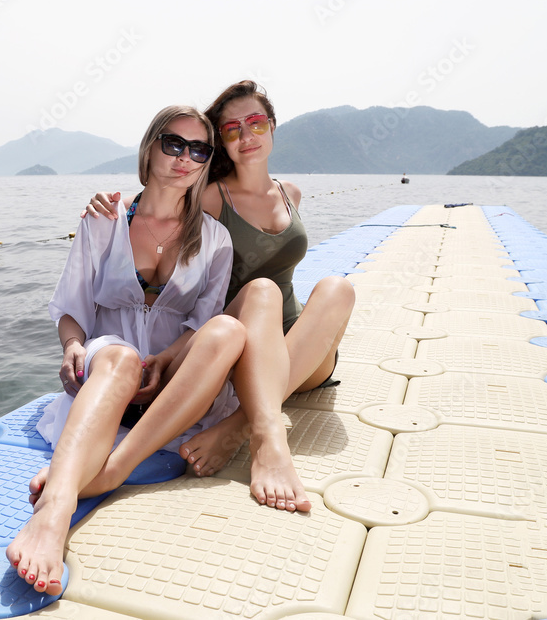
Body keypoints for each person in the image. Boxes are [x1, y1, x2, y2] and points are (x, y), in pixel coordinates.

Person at [83, 81, 355, 514]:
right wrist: (108, 207)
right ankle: (268, 436)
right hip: (240, 347)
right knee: (261, 290)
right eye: (230, 130)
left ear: (272, 127)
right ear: (222, 143)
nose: (246, 137)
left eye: (255, 123)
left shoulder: (290, 191)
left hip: (301, 349)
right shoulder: (210, 197)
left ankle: (238, 426)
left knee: (338, 288)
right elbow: (158, 207)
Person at [6, 106, 246, 596]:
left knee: (225, 328)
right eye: (173, 143)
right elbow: (71, 308)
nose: (185, 158)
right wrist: (74, 346)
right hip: (109, 368)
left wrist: (166, 359)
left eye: (199, 150)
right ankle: (54, 514)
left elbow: (203, 325)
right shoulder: (104, 221)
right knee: (117, 358)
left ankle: (82, 473)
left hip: (173, 386)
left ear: (207, 162)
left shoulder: (216, 240)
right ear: (150, 146)